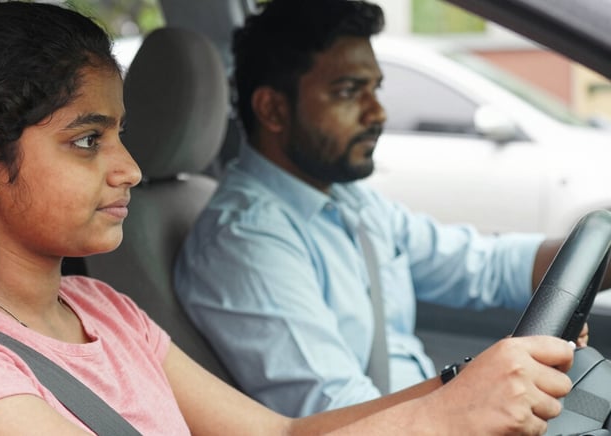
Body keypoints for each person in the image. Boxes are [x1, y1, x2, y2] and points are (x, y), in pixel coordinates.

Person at [0, 1, 574, 435]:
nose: (128, 166)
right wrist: (440, 421)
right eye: (87, 140)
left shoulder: (103, 308)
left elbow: (281, 433)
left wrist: (465, 386)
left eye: (121, 134)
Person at [174, 0, 595, 419]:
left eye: (374, 88)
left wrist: (596, 252)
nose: (378, 113)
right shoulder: (246, 243)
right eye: (348, 92)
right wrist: (484, 381)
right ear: (273, 109)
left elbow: (482, 265)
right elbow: (342, 414)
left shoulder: (346, 199)